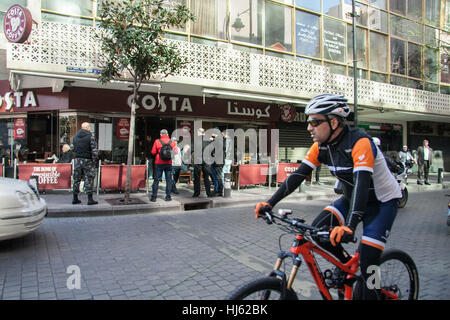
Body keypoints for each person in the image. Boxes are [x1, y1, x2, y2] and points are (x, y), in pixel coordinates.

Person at [254, 94, 402, 300]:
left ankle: (374, 292)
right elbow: (297, 176)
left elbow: (361, 183)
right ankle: (347, 264)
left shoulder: (360, 143)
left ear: (333, 122)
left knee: (369, 267)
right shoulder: (320, 147)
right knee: (318, 232)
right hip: (351, 200)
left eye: (315, 121)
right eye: (308, 122)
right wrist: (270, 203)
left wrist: (350, 226)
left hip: (382, 204)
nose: (309, 127)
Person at [72, 122, 99, 205]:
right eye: (89, 127)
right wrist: (95, 161)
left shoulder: (75, 137)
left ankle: (75, 198)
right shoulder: (90, 136)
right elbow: (94, 151)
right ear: (87, 128)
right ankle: (90, 199)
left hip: (77, 160)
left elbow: (73, 148)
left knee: (76, 179)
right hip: (87, 160)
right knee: (89, 178)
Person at [150, 129, 177, 202]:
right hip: (168, 163)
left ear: (161, 135)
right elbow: (176, 152)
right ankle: (168, 196)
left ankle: (154, 197)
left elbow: (153, 152)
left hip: (159, 162)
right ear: (168, 134)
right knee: (169, 180)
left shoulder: (157, 141)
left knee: (156, 180)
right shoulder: (172, 142)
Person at [193, 128, 213, 198]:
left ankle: (196, 193)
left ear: (199, 133)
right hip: (206, 160)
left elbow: (192, 149)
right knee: (206, 178)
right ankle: (208, 193)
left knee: (197, 178)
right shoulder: (208, 140)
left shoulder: (196, 140)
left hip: (198, 160)